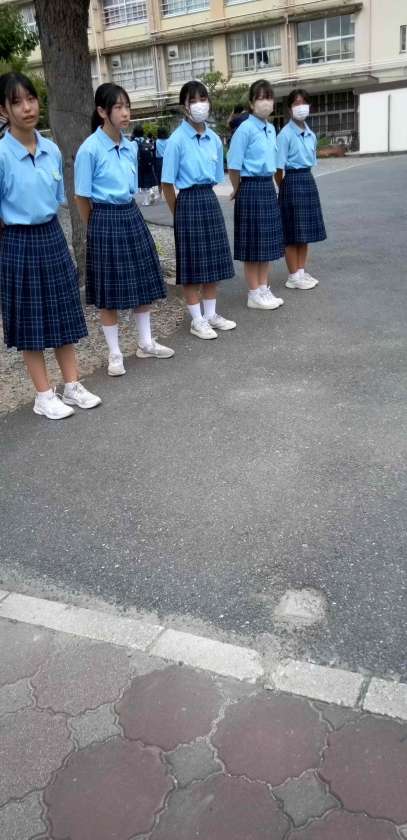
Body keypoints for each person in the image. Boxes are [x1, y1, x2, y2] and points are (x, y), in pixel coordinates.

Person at [0, 72, 101, 420]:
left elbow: (57, 199)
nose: (27, 108)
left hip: (51, 235)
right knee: (29, 322)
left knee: (62, 312)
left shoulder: (52, 150)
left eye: (31, 99)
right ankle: (43, 395)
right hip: (17, 241)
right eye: (17, 102)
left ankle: (72, 385)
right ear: (3, 110)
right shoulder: (1, 154)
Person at [74, 82, 174, 376]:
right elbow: (81, 197)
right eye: (118, 107)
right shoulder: (89, 149)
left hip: (130, 213)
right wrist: (94, 226)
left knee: (143, 281)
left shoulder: (130, 147)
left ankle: (145, 342)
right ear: (102, 111)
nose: (125, 113)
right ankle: (115, 354)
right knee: (109, 291)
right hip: (104, 218)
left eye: (127, 107)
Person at [161, 80, 236, 340]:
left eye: (202, 99)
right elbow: (166, 183)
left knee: (212, 262)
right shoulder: (176, 140)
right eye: (192, 100)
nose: (199, 105)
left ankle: (211, 314)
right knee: (192, 266)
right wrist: (178, 213)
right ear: (184, 106)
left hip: (208, 198)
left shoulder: (214, 139)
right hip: (187, 201)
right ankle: (197, 319)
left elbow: (216, 176)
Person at [227, 79, 285, 311]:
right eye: (260, 98)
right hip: (250, 187)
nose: (265, 102)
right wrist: (237, 189)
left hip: (267, 186)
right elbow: (234, 165)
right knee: (253, 245)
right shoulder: (245, 129)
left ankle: (263, 288)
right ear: (251, 103)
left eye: (269, 97)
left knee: (266, 244)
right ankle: (253, 293)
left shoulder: (270, 129)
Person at [275, 89, 326, 290]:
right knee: (292, 233)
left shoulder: (311, 134)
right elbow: (278, 169)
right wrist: (284, 187)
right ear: (289, 108)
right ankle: (293, 276)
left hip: (307, 179)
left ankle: (301, 272)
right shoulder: (285, 134)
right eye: (296, 103)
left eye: (304, 102)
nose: (301, 107)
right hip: (291, 181)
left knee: (305, 233)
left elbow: (311, 161)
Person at [131, 124, 158, 206]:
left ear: (134, 133)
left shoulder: (133, 143)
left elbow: (133, 155)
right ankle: (151, 191)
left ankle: (146, 200)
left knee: (142, 183)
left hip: (139, 165)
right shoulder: (146, 140)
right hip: (148, 163)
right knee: (148, 180)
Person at [154, 126, 169, 196]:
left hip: (159, 161)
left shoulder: (157, 141)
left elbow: (155, 152)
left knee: (159, 177)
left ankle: (160, 193)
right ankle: (167, 193)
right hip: (167, 159)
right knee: (167, 177)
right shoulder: (169, 140)